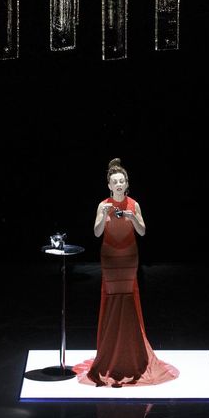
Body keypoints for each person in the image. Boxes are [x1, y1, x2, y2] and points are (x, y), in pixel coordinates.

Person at [72, 158, 179, 387]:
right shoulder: (103, 205)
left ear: (127, 183)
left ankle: (131, 353)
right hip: (110, 257)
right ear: (109, 185)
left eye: (122, 181)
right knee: (112, 300)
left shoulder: (134, 204)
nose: (119, 184)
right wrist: (103, 215)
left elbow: (142, 231)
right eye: (115, 182)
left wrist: (132, 217)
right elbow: (97, 233)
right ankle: (111, 353)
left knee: (128, 299)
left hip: (129, 257)